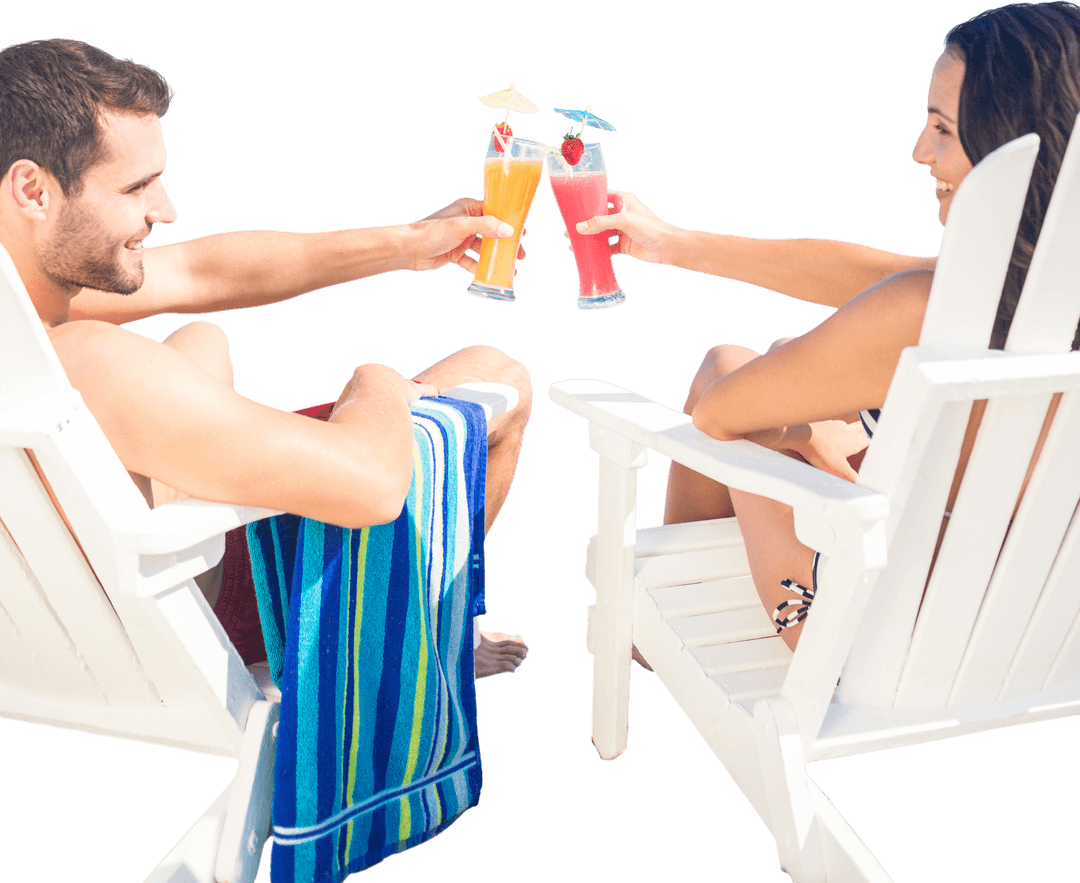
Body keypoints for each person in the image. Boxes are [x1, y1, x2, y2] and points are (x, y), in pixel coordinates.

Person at [0, 37, 531, 676]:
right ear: (32, 189)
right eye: (137, 187)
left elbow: (202, 270)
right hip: (205, 620)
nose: (164, 210)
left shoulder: (27, 315)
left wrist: (410, 242)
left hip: (57, 620)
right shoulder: (88, 358)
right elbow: (372, 487)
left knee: (203, 338)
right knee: (497, 374)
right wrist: (378, 382)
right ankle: (431, 636)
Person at [572, 1, 1080, 649]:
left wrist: (812, 439)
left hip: (863, 642)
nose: (920, 150)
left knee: (727, 367)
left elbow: (722, 415)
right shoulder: (1037, 294)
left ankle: (649, 631)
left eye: (943, 129)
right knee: (791, 371)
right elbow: (873, 274)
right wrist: (674, 242)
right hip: (1026, 636)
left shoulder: (920, 312)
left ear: (1011, 141)